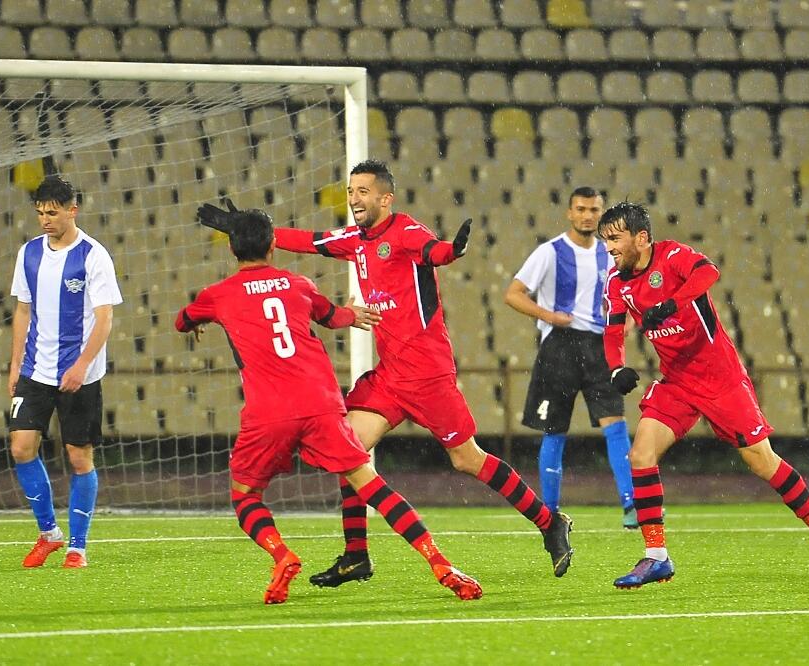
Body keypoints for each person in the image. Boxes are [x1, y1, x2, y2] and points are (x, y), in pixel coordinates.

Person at [199, 160, 574, 587]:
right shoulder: (355, 240)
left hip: (429, 374)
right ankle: (357, 555)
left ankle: (548, 522)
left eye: (362, 191)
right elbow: (309, 241)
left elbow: (434, 251)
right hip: (390, 376)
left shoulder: (406, 232)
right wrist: (246, 231)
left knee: (467, 459)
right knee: (350, 451)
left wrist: (453, 251)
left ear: (385, 198)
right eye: (351, 191)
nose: (354, 199)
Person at [176, 204, 482, 604]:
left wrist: (196, 321)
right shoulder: (299, 285)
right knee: (369, 483)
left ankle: (282, 554)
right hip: (322, 404)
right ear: (273, 246)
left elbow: (182, 320)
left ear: (232, 250)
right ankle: (440, 563)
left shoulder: (217, 295)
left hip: (269, 412)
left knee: (245, 493)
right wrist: (353, 314)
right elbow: (333, 316)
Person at [598, 201, 809, 591]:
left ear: (642, 237)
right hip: (677, 381)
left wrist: (671, 303)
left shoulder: (673, 256)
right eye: (605, 240)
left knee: (763, 462)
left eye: (615, 238)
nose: (609, 246)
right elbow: (614, 330)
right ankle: (657, 556)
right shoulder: (617, 283)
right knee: (641, 454)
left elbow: (708, 272)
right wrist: (616, 367)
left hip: (721, 379)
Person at [504, 186, 636, 529]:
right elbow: (513, 295)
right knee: (554, 430)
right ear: (569, 212)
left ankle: (631, 505)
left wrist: (623, 326)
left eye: (594, 210)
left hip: (597, 346)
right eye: (581, 209)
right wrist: (548, 316)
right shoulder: (549, 253)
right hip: (559, 347)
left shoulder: (608, 256)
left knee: (615, 425)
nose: (587, 216)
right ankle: (549, 512)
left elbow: (624, 295)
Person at [8, 175, 123, 569]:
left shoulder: (94, 255)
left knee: (79, 459)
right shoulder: (28, 254)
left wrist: (80, 365)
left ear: (72, 210)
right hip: (35, 370)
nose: (45, 220)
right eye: (40, 212)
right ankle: (48, 534)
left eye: (52, 213)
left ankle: (78, 546)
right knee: (21, 447)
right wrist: (14, 365)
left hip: (80, 375)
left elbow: (105, 318)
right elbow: (23, 310)